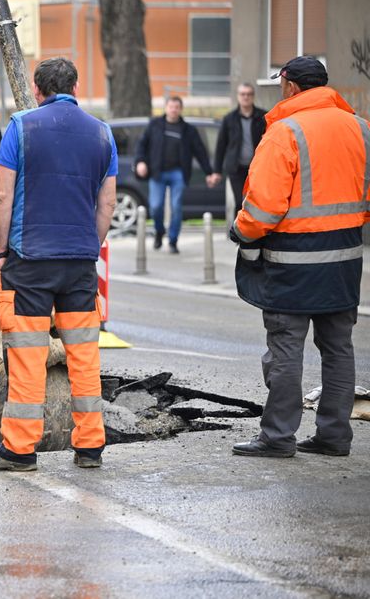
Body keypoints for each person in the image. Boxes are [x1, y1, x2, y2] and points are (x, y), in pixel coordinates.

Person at [0, 57, 117, 472]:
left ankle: (19, 450)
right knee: (85, 355)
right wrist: (89, 244)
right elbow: (106, 203)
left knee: (28, 357)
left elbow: (1, 197)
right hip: (79, 264)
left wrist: (0, 252)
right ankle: (89, 446)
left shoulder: (21, 127)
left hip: (28, 261)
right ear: (75, 86)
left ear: (37, 90)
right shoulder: (103, 134)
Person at [230, 56, 369, 459]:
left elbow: (261, 210)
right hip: (345, 260)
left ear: (290, 86)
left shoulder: (284, 132)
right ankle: (334, 436)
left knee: (287, 349)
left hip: (292, 262)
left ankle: (277, 437)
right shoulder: (360, 128)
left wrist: (241, 231)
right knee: (339, 348)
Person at [134, 96, 216, 254]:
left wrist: (209, 172)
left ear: (180, 109)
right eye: (171, 107)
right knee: (156, 206)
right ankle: (159, 232)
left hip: (178, 172)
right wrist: (140, 162)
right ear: (166, 108)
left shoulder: (188, 130)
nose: (173, 110)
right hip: (157, 172)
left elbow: (200, 152)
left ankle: (173, 240)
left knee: (176, 207)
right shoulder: (155, 125)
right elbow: (141, 145)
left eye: (176, 107)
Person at [212, 83, 267, 216]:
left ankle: (256, 232)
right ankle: (240, 233)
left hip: (257, 168)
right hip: (236, 168)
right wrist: (217, 171)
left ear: (253, 96)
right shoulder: (229, 119)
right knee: (239, 201)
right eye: (243, 94)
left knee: (256, 201)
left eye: (249, 94)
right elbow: (221, 146)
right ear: (238, 96)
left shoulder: (263, 117)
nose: (246, 97)